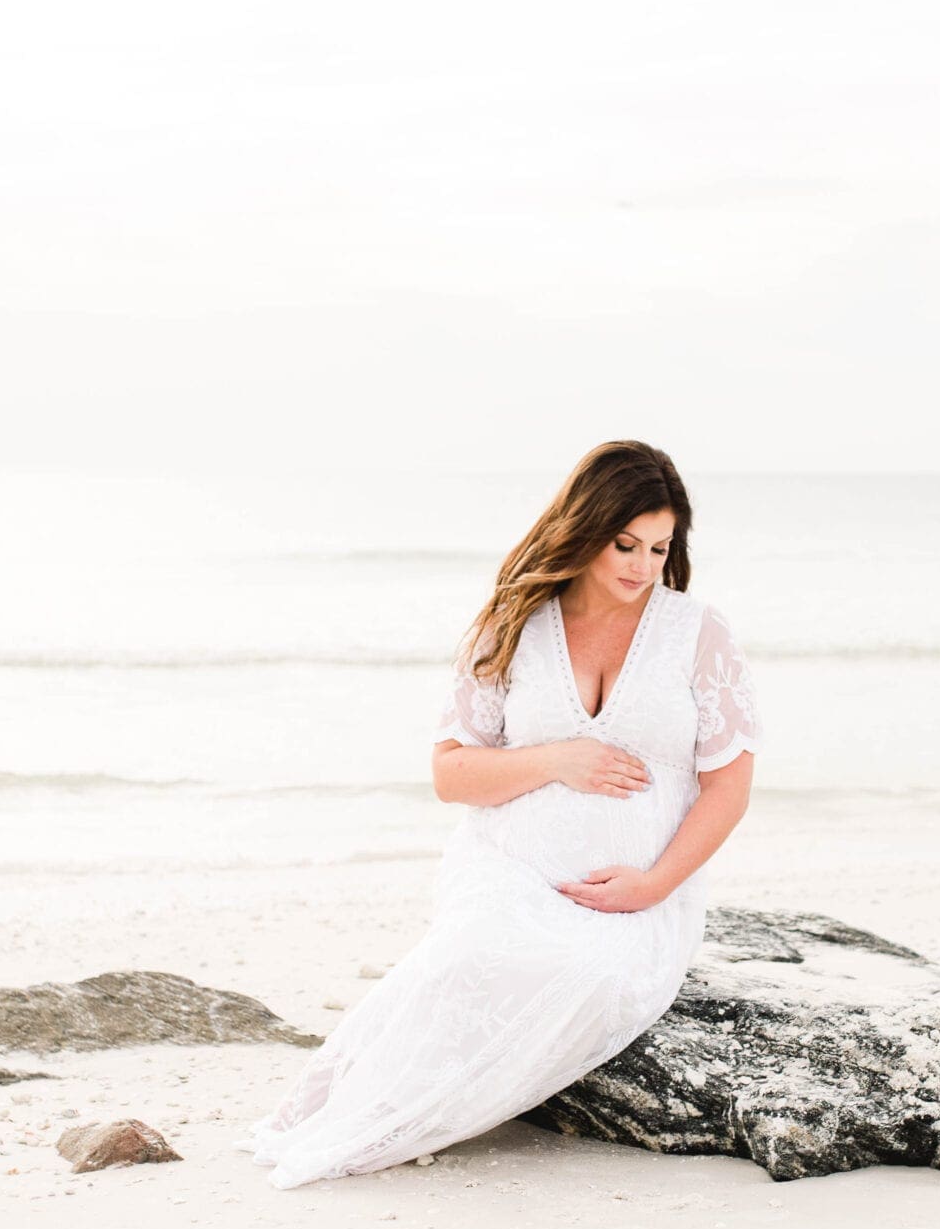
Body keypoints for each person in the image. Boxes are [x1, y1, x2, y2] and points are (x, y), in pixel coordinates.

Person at [238, 440, 761, 1188]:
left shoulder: (696, 633)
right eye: (624, 543)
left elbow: (729, 786)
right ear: (585, 526)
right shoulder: (513, 622)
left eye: (659, 547)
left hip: (639, 887)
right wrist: (558, 757)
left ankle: (427, 1114)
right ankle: (372, 1118)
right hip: (509, 863)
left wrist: (653, 885)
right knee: (464, 960)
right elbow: (452, 774)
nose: (642, 565)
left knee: (595, 975)